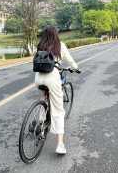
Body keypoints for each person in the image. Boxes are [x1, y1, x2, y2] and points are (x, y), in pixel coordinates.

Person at [35, 26, 79, 154]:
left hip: (38, 78)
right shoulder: (60, 45)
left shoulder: (40, 45)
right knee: (58, 111)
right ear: (56, 34)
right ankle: (60, 145)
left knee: (44, 98)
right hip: (52, 78)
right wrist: (76, 67)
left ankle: (41, 123)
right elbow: (70, 60)